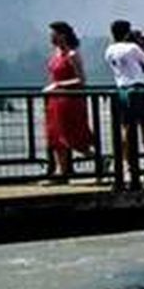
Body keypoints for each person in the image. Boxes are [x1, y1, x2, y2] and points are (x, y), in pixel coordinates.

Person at [105, 19, 144, 186]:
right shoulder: (132, 48)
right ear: (126, 32)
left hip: (121, 90)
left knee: (125, 128)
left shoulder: (109, 50)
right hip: (138, 90)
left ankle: (123, 164)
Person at [42, 21, 94, 183]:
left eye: (54, 34)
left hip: (70, 101)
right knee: (56, 137)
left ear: (62, 35)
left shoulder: (72, 55)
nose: (51, 37)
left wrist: (58, 85)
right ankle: (62, 172)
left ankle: (98, 159)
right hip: (55, 101)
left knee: (73, 137)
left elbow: (81, 80)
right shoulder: (56, 53)